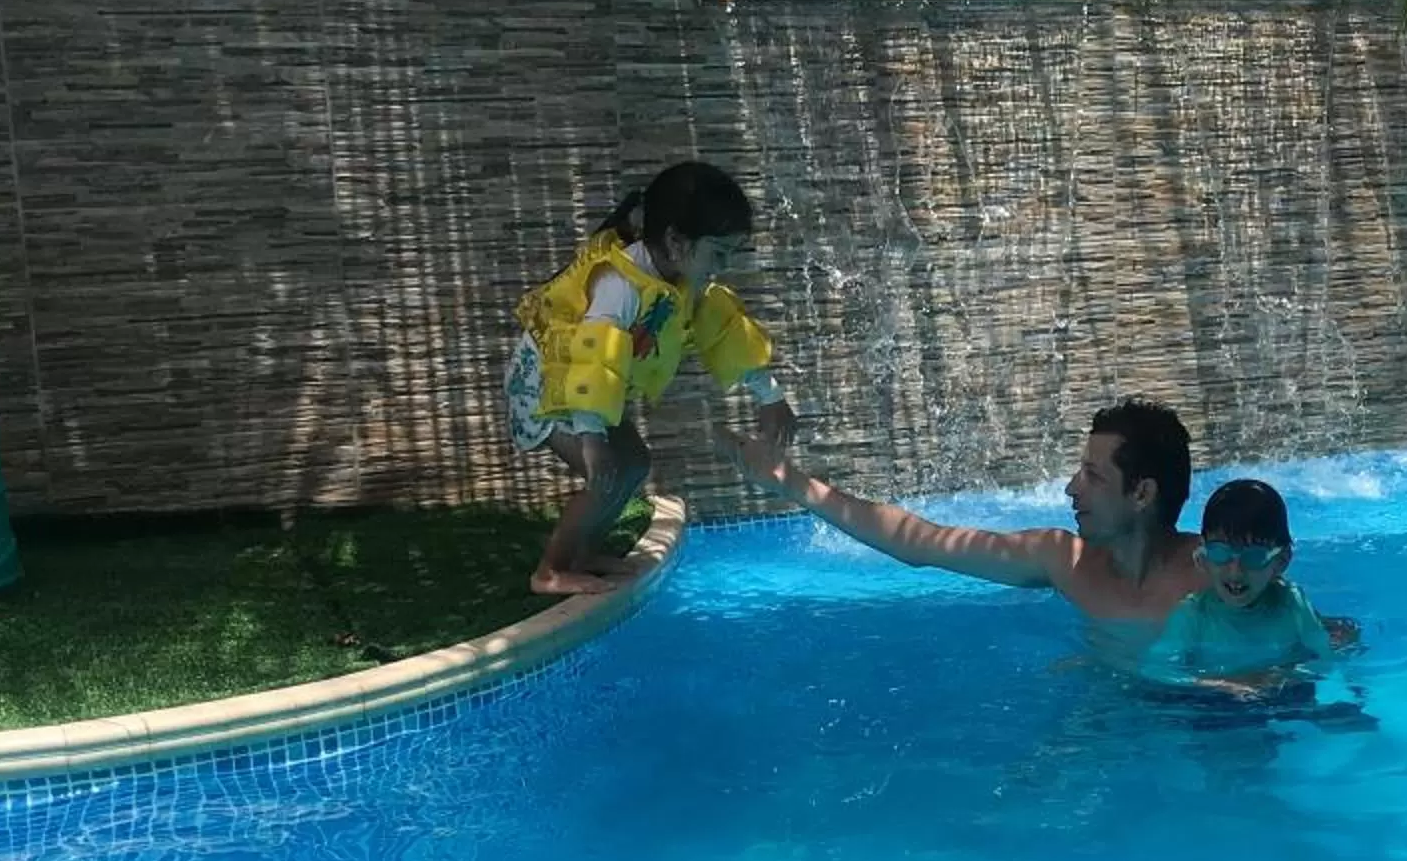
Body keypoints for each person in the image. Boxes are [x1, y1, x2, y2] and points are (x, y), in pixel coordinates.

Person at [732, 398, 1204, 668]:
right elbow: (920, 542)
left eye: (1093, 477)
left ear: (1142, 493)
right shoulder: (1064, 560)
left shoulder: (1215, 573)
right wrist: (791, 483)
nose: (1070, 488)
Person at [508, 161, 797, 594]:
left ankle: (583, 554)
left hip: (581, 388)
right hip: (547, 386)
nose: (724, 266)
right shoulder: (620, 285)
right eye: (719, 252)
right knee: (608, 476)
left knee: (634, 465)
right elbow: (591, 358)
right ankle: (549, 572)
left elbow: (725, 333)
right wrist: (592, 442)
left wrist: (770, 396)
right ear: (676, 241)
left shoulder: (683, 280)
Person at [1147, 478, 1350, 692]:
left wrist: (1283, 675)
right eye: (1221, 553)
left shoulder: (1292, 604)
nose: (1235, 571)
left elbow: (1326, 659)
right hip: (1213, 701)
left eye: (1254, 557)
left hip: (1284, 695)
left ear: (1281, 562)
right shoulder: (1193, 615)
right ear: (1203, 558)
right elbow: (1156, 670)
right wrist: (1224, 685)